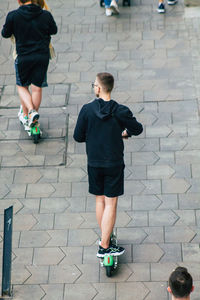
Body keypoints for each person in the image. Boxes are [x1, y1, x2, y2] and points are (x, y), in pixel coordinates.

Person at [73, 72, 143, 258]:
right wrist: (124, 133)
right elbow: (138, 128)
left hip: (94, 163)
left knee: (99, 200)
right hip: (113, 163)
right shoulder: (120, 110)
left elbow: (78, 137)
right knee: (111, 202)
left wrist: (94, 134)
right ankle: (104, 246)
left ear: (98, 88)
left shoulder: (87, 110)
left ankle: (105, 236)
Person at [1, 0, 57, 127]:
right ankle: (33, 118)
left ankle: (30, 111)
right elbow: (54, 30)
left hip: (23, 57)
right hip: (42, 56)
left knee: (22, 86)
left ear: (19, 0)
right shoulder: (45, 15)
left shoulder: (13, 16)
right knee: (37, 88)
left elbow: (5, 34)